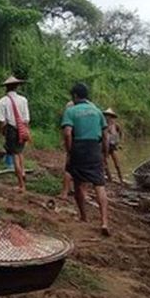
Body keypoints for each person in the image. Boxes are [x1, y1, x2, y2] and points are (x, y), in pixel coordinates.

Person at [61, 83, 110, 236]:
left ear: (75, 96)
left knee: (79, 184)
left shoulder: (71, 111)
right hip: (94, 148)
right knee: (99, 185)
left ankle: (83, 217)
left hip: (79, 148)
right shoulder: (97, 112)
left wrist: (69, 151)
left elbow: (68, 133)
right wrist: (104, 154)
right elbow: (106, 135)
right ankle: (104, 221)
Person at [0, 76, 30, 192]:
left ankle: (21, 184)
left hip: (11, 130)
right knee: (20, 152)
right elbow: (26, 119)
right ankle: (23, 171)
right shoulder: (23, 100)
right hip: (22, 128)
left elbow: (2, 120)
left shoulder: (3, 101)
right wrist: (26, 131)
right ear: (16, 87)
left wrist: (0, 132)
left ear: (6, 88)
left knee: (14, 155)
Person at [102, 108, 124, 184]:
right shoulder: (103, 125)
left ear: (111, 117)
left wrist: (119, 143)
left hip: (113, 146)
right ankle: (110, 179)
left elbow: (121, 133)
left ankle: (121, 179)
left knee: (117, 164)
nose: (107, 117)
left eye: (109, 116)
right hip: (104, 147)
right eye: (106, 115)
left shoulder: (116, 125)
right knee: (105, 164)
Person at [59, 100, 74, 200]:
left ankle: (65, 192)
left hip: (73, 142)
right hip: (83, 143)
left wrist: (67, 147)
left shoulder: (70, 114)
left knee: (69, 166)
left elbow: (67, 133)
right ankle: (72, 189)